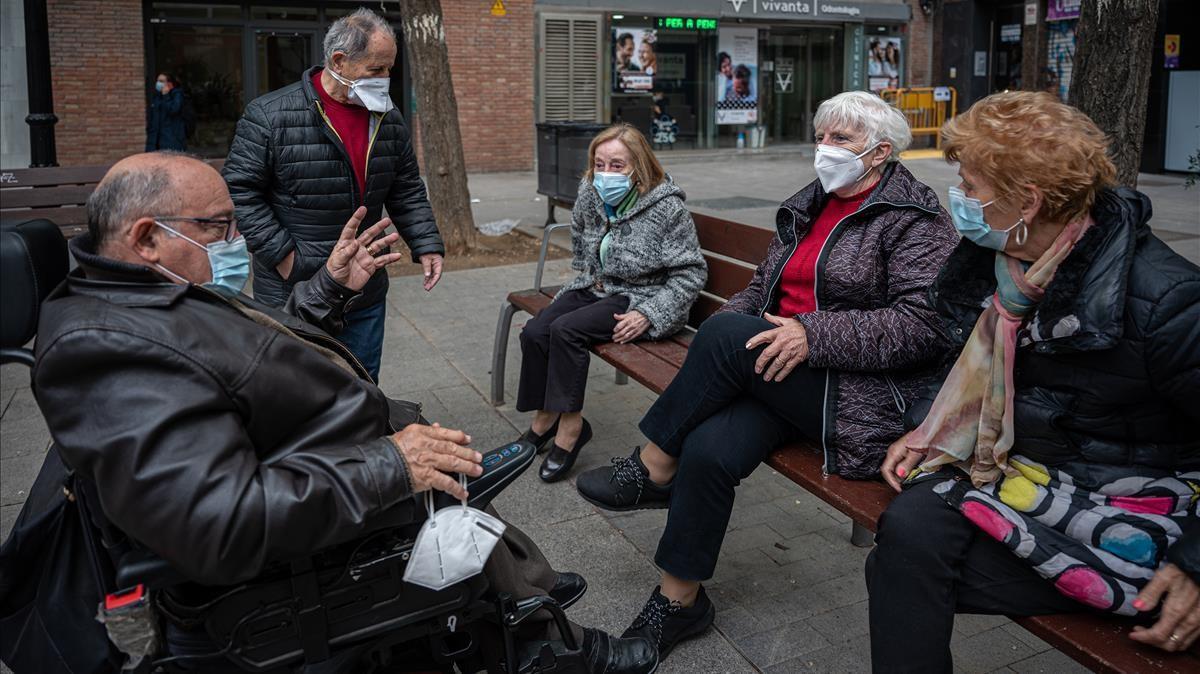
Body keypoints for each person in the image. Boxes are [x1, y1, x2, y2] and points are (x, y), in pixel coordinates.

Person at [30, 152, 657, 674]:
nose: (235, 240)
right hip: (329, 522)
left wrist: (330, 289)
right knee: (449, 488)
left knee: (458, 483)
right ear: (146, 237)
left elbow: (252, 364)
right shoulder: (110, 351)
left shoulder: (144, 295)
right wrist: (389, 465)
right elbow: (215, 521)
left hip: (339, 457)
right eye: (219, 226)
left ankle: (528, 593)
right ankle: (548, 645)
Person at [576, 91, 958, 659]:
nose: (824, 150)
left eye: (841, 141)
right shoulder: (811, 203)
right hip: (780, 372)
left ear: (880, 153)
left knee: (725, 337)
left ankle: (652, 466)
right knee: (707, 447)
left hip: (854, 394)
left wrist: (812, 334)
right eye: (821, 137)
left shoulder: (917, 221)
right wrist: (737, 341)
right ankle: (679, 602)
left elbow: (925, 326)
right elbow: (760, 289)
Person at [868, 91, 1200, 672]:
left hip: (1135, 500)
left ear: (1028, 201)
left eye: (970, 187)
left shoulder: (1166, 299)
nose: (961, 200)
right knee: (908, 533)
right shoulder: (1001, 262)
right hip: (1035, 473)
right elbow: (966, 361)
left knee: (901, 570)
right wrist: (928, 425)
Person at [224, 8, 444, 382]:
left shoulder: (387, 118)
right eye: (376, 69)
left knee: (362, 387)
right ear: (339, 61)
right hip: (294, 289)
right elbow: (240, 190)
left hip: (364, 287)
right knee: (294, 389)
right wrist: (284, 257)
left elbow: (405, 186)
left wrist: (426, 243)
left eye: (389, 68)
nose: (385, 79)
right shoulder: (269, 115)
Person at [516, 124, 705, 483]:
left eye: (616, 165)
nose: (605, 174)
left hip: (639, 296)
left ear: (639, 166)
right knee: (537, 331)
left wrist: (650, 314)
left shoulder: (667, 208)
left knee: (566, 331)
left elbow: (691, 274)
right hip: (596, 285)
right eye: (599, 164)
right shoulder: (591, 191)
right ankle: (545, 416)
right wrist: (588, 279)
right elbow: (582, 241)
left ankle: (570, 430)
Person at [146, 73, 187, 151]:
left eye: (161, 81)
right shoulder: (157, 96)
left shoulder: (176, 95)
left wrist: (166, 96)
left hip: (171, 140)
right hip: (154, 141)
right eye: (157, 81)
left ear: (170, 83)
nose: (158, 83)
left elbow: (174, 110)